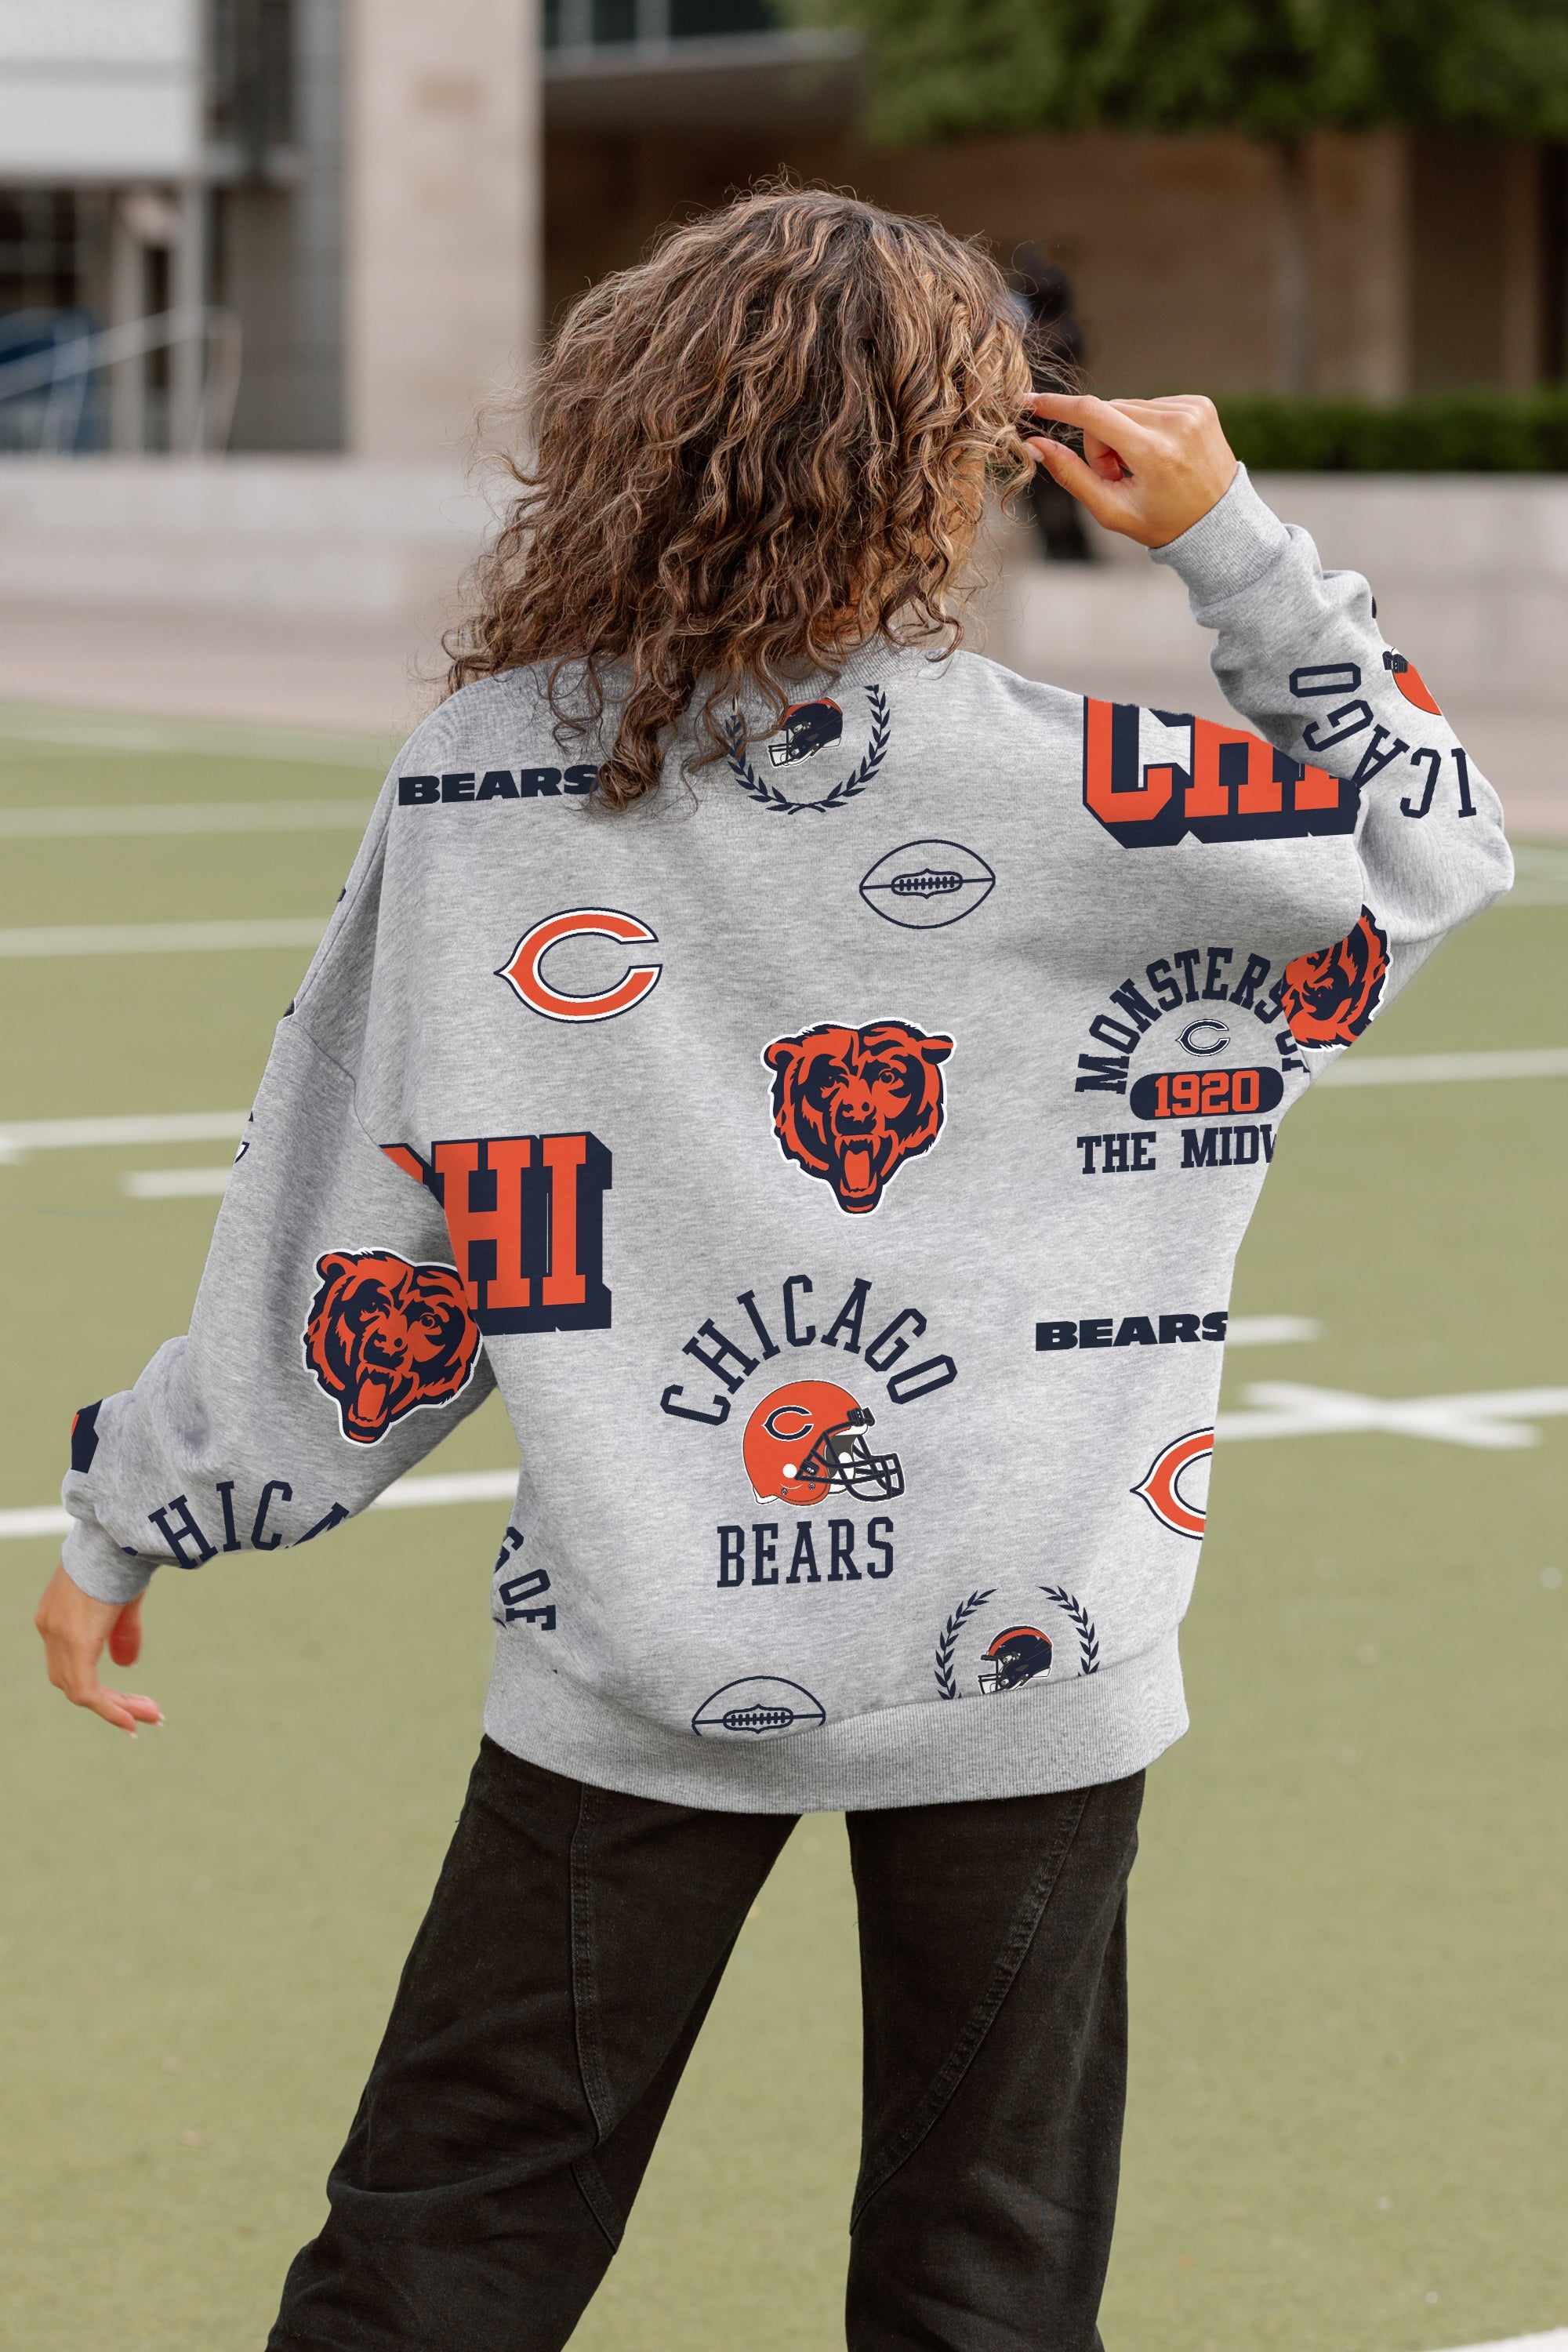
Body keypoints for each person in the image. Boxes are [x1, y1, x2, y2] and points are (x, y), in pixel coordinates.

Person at [35, 186, 1510, 2351]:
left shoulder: (484, 784)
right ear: (956, 464)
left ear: (620, 436)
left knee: (438, 2257)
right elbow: (1428, 844)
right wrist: (1232, 546)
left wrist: (143, 1510)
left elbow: (366, 1237)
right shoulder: (1089, 790)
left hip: (632, 1641)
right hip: (1039, 1644)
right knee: (980, 2288)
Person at [1011, 239, 1095, 563]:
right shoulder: (1032, 330)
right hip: (1035, 420)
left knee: (1065, 483)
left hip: (1057, 421)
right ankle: (1054, 544)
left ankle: (1073, 545)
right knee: (1037, 487)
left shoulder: (1061, 330)